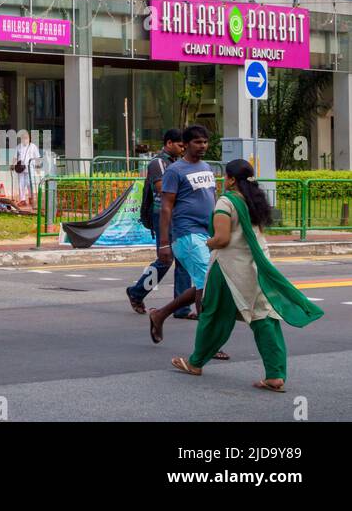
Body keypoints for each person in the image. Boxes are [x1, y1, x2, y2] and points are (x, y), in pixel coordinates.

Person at [171, 159, 323, 391]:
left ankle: (195, 363)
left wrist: (208, 242)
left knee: (213, 315)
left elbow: (222, 239)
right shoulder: (257, 201)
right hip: (257, 267)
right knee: (264, 317)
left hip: (230, 269)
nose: (223, 180)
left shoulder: (226, 201)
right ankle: (275, 375)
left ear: (231, 179)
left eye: (225, 176)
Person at [148, 124, 223, 347]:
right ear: (186, 145)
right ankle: (208, 345)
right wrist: (163, 243)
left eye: (205, 142)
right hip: (187, 234)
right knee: (207, 286)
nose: (202, 146)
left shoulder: (207, 167)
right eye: (197, 142)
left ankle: (160, 314)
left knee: (203, 284)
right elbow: (166, 207)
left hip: (206, 233)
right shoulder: (175, 171)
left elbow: (212, 200)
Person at [127, 128, 192, 318]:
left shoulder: (177, 163)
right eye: (180, 145)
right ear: (169, 143)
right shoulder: (158, 163)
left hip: (178, 215)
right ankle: (137, 292)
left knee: (182, 260)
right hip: (162, 214)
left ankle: (182, 308)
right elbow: (162, 188)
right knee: (165, 259)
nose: (182, 149)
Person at [14, 129, 41, 208]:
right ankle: (22, 200)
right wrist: (12, 165)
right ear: (21, 139)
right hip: (20, 169)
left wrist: (38, 168)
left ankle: (31, 198)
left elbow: (37, 158)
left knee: (30, 184)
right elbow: (15, 157)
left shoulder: (33, 146)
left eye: (26, 138)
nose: (25, 139)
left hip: (30, 168)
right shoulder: (18, 146)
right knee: (21, 184)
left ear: (29, 138)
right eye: (23, 138)